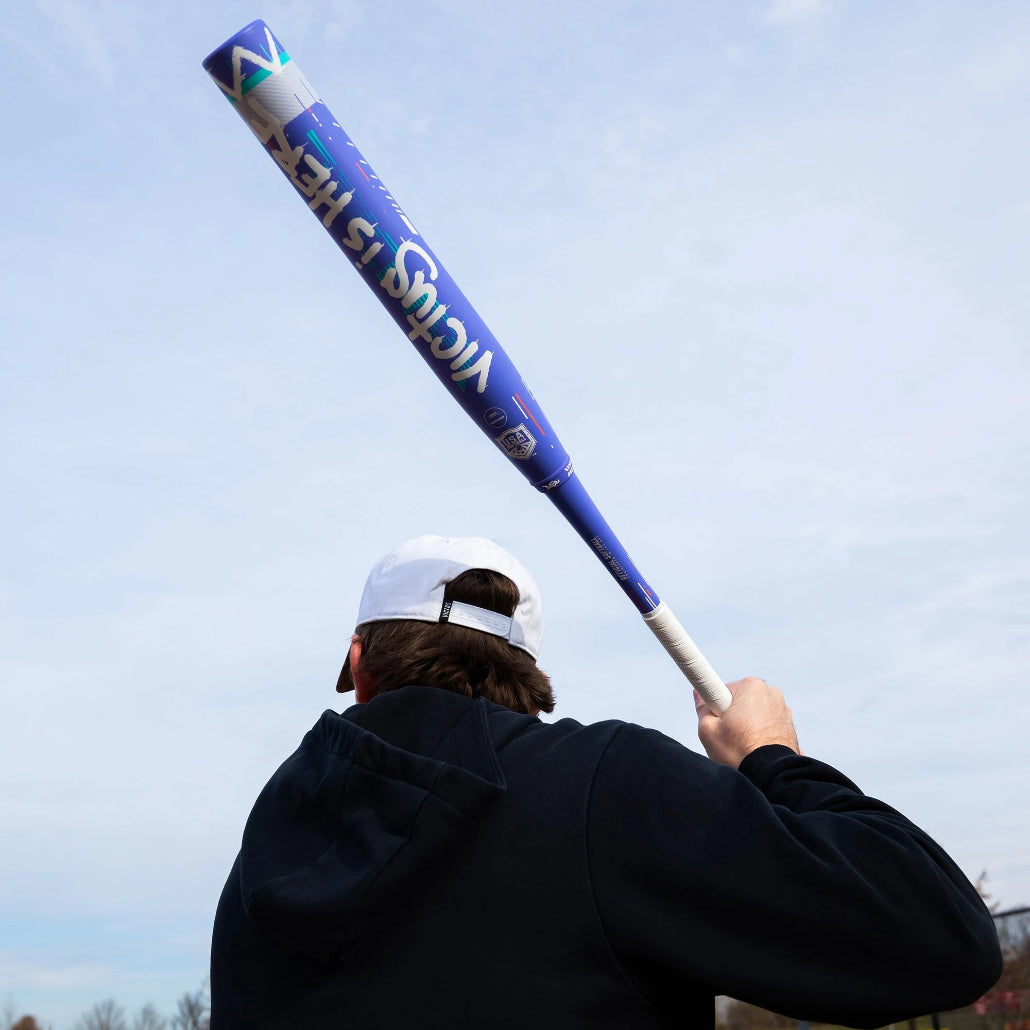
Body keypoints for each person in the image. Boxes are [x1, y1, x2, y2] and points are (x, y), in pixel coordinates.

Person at [210, 535, 1001, 1029]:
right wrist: (772, 758)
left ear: (358, 662)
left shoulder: (257, 872)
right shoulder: (601, 790)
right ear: (526, 672)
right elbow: (941, 941)